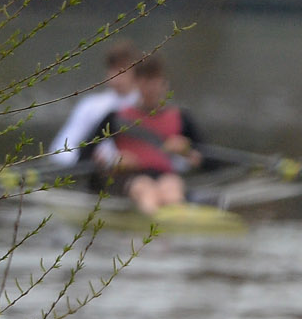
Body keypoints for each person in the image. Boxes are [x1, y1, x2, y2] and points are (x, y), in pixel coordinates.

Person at [90, 55, 205, 215]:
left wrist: (187, 151)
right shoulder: (115, 118)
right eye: (146, 80)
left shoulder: (182, 118)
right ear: (136, 83)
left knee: (172, 186)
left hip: (165, 176)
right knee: (145, 189)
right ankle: (155, 230)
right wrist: (113, 161)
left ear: (164, 83)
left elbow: (208, 161)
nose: (151, 87)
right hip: (129, 178)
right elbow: (84, 156)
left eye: (155, 80)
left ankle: (174, 223)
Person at [48, 43, 141, 172]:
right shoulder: (90, 105)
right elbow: (59, 149)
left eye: (123, 70)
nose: (118, 75)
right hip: (98, 173)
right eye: (113, 69)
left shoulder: (145, 106)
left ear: (136, 73)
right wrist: (84, 160)